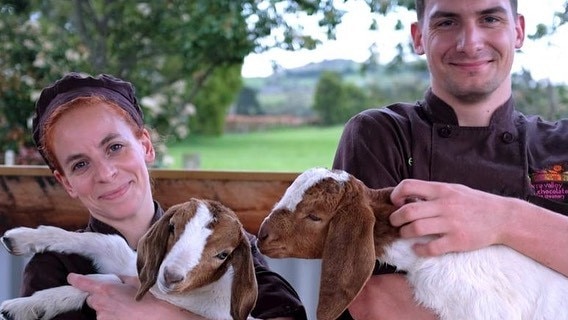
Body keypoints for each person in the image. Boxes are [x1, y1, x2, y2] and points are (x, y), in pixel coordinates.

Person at [332, 0, 568, 319]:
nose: (469, 43)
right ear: (418, 36)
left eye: (490, 19)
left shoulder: (560, 144)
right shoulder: (380, 134)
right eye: (446, 23)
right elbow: (372, 300)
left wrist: (503, 218)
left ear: (518, 31)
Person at [23, 72, 308, 320]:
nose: (106, 173)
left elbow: (283, 313)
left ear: (145, 145)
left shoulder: (224, 242)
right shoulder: (56, 268)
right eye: (80, 164)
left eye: (114, 147)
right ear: (66, 182)